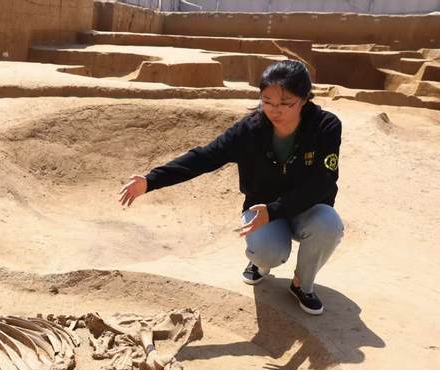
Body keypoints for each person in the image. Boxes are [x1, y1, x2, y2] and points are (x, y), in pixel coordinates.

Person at [118, 60, 344, 315]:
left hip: (307, 209)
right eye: (267, 102)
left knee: (329, 224)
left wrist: (276, 209)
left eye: (285, 103)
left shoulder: (325, 126)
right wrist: (151, 181)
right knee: (268, 252)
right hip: (261, 210)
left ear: (304, 99)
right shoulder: (249, 131)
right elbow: (204, 157)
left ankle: (301, 284)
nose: (274, 110)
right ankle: (259, 264)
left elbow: (322, 182)